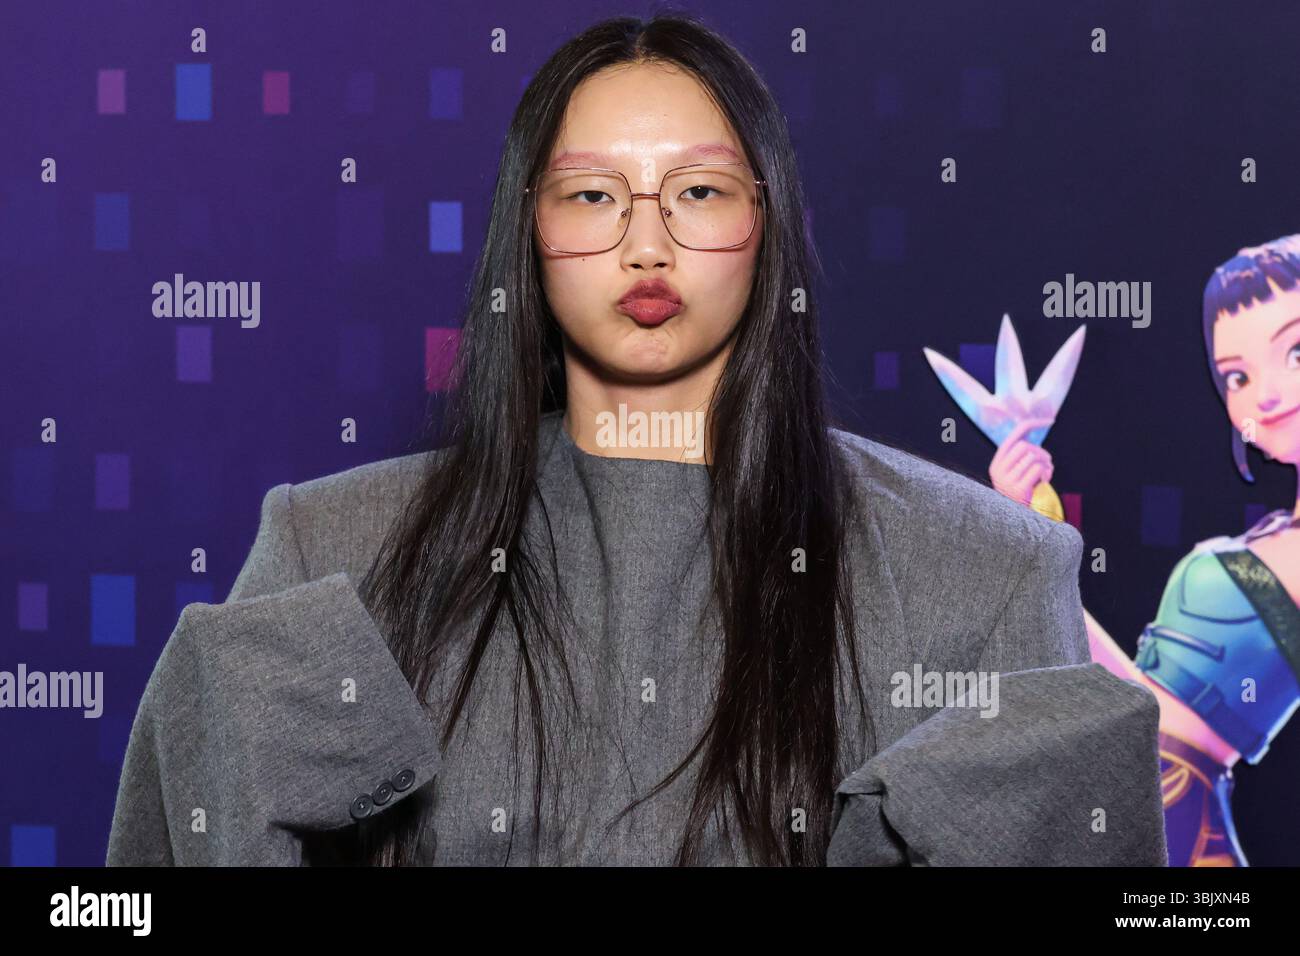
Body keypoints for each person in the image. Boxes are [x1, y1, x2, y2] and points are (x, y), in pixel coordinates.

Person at [106, 13, 1166, 867]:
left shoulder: (983, 573)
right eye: (592, 195)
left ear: (767, 225)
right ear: (530, 230)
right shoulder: (333, 551)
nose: (646, 244)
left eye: (697, 192)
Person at [987, 236, 1300, 865]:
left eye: (1296, 352)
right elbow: (1137, 701)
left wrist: (1031, 556)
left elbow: (1138, 709)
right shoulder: (1273, 535)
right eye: (1237, 376)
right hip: (1148, 820)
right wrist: (1029, 538)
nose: (1264, 396)